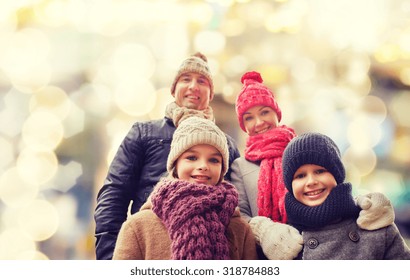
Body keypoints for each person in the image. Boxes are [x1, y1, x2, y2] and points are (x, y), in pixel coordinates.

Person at [230, 71, 395, 260]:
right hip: (268, 255)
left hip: (313, 241)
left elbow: (333, 188)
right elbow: (240, 216)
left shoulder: (301, 150)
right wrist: (265, 231)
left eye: (264, 112)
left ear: (276, 112)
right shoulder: (240, 166)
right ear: (243, 124)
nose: (258, 122)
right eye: (249, 117)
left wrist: (365, 206)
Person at [94, 52, 240, 260]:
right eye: (185, 79)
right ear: (173, 89)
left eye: (202, 81)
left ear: (210, 93)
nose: (193, 86)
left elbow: (238, 205)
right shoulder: (144, 134)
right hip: (152, 248)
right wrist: (113, 258)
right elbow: (114, 195)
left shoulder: (227, 145)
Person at [112, 117, 258, 260]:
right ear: (176, 165)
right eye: (192, 158)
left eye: (213, 160)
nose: (203, 166)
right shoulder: (138, 227)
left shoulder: (240, 229)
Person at [282, 132, 410, 259]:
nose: (311, 182)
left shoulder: (375, 225)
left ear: (337, 175)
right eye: (300, 176)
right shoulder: (282, 240)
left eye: (320, 171)